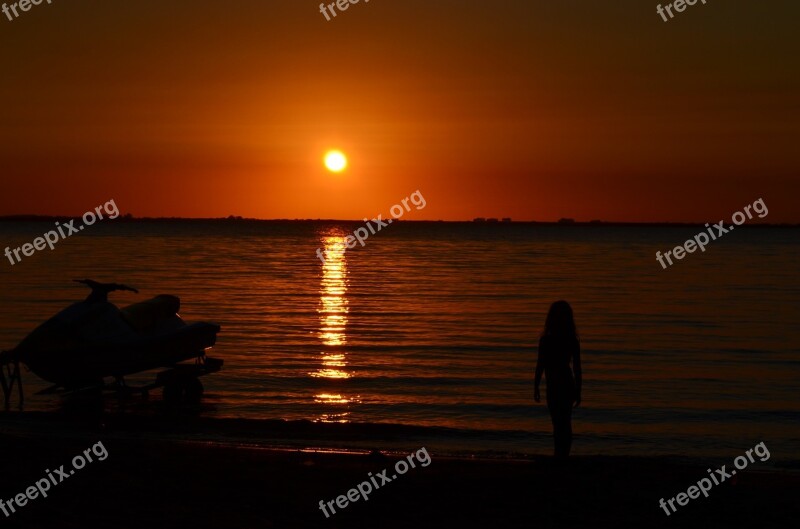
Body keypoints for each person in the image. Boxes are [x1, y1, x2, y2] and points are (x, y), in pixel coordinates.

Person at [534, 300, 582, 458]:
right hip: (566, 384)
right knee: (566, 423)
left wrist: (536, 387)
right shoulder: (571, 340)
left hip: (554, 385)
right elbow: (577, 368)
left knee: (557, 423)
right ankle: (563, 456)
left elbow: (540, 365)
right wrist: (578, 389)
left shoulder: (546, 341)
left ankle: (559, 455)